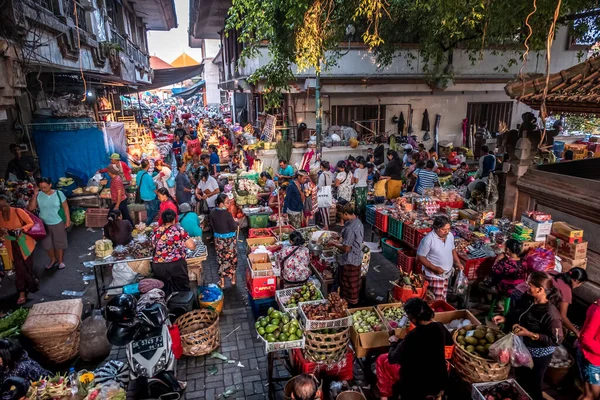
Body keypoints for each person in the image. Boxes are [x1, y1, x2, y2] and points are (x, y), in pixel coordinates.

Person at [493, 272, 563, 400]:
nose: (526, 286)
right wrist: (505, 318)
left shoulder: (551, 314)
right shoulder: (528, 297)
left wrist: (530, 334)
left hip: (539, 354)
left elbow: (556, 340)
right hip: (523, 347)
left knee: (534, 385)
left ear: (540, 289)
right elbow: (517, 312)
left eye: (529, 284)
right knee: (520, 378)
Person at [376, 298, 452, 400]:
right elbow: (449, 342)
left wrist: (394, 343)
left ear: (414, 319)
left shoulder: (413, 336)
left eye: (409, 317)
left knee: (382, 359)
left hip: (416, 387)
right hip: (439, 380)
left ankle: (384, 397)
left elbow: (393, 358)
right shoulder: (439, 327)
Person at [0, 196, 38, 305]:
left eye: (4, 206)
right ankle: (25, 289)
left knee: (25, 267)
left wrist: (21, 229)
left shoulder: (18, 211)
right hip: (10, 245)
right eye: (0, 207)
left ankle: (24, 289)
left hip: (24, 243)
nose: (2, 209)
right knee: (20, 267)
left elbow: (30, 223)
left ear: (9, 203)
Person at [417, 216, 464, 300]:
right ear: (436, 228)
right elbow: (420, 257)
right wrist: (435, 268)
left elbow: (452, 249)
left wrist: (457, 262)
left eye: (448, 229)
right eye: (443, 229)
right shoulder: (428, 240)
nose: (447, 232)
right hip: (434, 275)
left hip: (446, 274)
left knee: (442, 298)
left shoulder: (450, 236)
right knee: (436, 300)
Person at [28, 177, 70, 270]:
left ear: (50, 185)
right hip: (43, 224)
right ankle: (53, 259)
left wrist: (67, 220)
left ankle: (60, 261)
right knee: (47, 244)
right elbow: (31, 208)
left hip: (58, 222)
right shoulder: (39, 195)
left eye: (45, 187)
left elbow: (66, 208)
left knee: (59, 243)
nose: (43, 189)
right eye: (41, 187)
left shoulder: (59, 194)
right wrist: (35, 195)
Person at [151, 209, 196, 295]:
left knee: (164, 290)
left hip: (158, 266)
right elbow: (192, 246)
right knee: (182, 289)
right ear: (174, 219)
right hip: (175, 265)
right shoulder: (178, 230)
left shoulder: (156, 231)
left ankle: (167, 306)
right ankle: (183, 306)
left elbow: (153, 246)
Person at [327, 202, 364, 305]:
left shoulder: (350, 228)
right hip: (356, 258)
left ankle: (348, 305)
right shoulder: (357, 221)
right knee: (353, 284)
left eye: (341, 215)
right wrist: (339, 237)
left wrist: (333, 244)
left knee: (348, 285)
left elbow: (346, 248)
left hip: (350, 260)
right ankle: (352, 302)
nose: (340, 217)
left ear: (346, 213)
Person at [210, 194, 239, 288]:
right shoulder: (227, 214)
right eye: (227, 202)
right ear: (221, 204)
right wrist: (235, 222)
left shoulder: (212, 212)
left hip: (218, 240)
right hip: (229, 241)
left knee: (221, 259)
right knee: (232, 259)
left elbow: (212, 225)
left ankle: (222, 283)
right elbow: (233, 227)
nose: (229, 204)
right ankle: (233, 279)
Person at [550, 268, 588, 337]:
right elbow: (562, 316)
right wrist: (576, 332)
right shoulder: (566, 291)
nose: (578, 286)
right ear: (575, 281)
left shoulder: (553, 272)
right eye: (580, 284)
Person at [577, 298, 600, 400]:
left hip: (592, 357)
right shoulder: (598, 311)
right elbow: (586, 338)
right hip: (592, 359)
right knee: (591, 395)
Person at [136, 160, 159, 225]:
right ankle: (147, 223)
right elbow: (153, 188)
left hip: (143, 196)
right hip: (150, 196)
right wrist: (158, 194)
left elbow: (138, 183)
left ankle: (149, 225)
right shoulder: (148, 177)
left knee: (149, 210)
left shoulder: (139, 174)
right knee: (155, 211)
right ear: (148, 165)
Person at [317, 161, 334, 230]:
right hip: (329, 192)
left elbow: (320, 186)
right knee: (327, 211)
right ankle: (326, 224)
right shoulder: (330, 173)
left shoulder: (322, 175)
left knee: (324, 211)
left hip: (323, 194)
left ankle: (326, 226)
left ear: (321, 166)